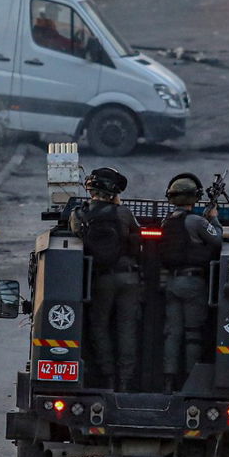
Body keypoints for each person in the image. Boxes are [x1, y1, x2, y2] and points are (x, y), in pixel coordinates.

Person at [71, 166, 141, 390]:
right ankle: (125, 380)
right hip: (129, 278)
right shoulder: (123, 213)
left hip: (101, 279)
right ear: (114, 191)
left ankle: (108, 375)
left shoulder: (78, 214)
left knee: (99, 326)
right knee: (127, 328)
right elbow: (137, 241)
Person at [160, 174, 222, 390]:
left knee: (172, 333)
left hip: (172, 283)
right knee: (192, 334)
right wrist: (213, 217)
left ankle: (168, 380)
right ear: (193, 197)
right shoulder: (196, 221)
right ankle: (189, 381)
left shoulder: (168, 221)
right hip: (193, 284)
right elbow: (218, 239)